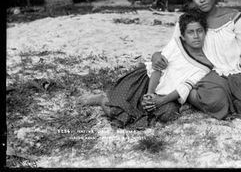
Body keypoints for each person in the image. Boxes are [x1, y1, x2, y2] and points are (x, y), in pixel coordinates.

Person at [79, 9, 213, 128]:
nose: (196, 36)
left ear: (205, 32)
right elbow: (158, 68)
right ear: (183, 35)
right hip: (147, 82)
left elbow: (185, 87)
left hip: (166, 96)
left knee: (168, 115)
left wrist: (160, 100)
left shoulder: (205, 65)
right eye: (190, 32)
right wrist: (149, 94)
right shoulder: (177, 44)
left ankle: (152, 106)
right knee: (117, 110)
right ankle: (102, 99)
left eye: (199, 31)